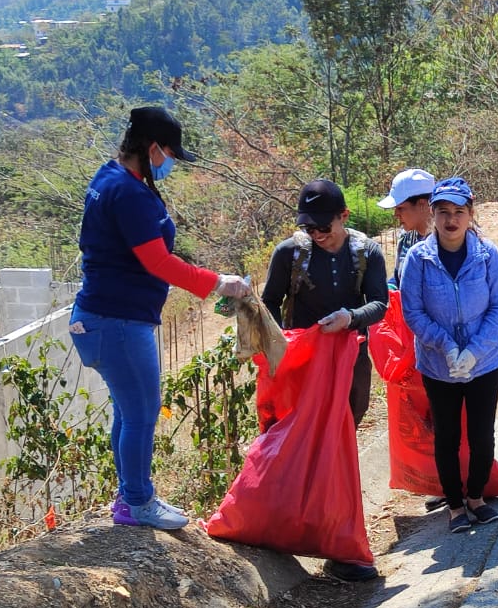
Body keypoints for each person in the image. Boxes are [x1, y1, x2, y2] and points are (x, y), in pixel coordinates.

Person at [69, 105, 249, 531]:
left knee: (128, 411)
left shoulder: (109, 176)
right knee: (142, 413)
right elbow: (158, 263)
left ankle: (129, 494)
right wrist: (217, 282)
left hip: (100, 316)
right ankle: (137, 502)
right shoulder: (129, 193)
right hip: (118, 323)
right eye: (168, 153)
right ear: (152, 148)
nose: (169, 162)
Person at [261, 178, 389, 580]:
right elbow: (267, 307)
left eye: (324, 226)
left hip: (349, 366)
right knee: (293, 445)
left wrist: (351, 318)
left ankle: (339, 542)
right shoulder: (289, 254)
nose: (316, 234)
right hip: (301, 369)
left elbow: (380, 304)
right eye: (309, 227)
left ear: (344, 217)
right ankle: (283, 528)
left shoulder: (366, 252)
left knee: (338, 448)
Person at [400, 177, 498, 533]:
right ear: (432, 214)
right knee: (446, 436)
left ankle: (476, 497)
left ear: (470, 214)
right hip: (437, 363)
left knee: (481, 434)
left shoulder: (487, 253)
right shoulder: (418, 258)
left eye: (459, 212)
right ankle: (454, 504)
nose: (451, 219)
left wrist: (475, 350)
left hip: (485, 361)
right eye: (443, 211)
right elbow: (413, 312)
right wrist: (445, 345)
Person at [378, 167, 435, 288]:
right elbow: (399, 278)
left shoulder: (446, 242)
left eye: (400, 208)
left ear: (422, 204)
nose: (396, 214)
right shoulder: (406, 240)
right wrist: (390, 289)